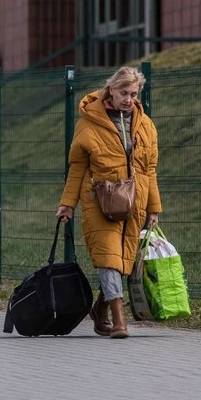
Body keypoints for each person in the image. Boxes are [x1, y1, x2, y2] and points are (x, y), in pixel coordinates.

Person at [56, 66, 161, 340]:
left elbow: (150, 169)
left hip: (135, 201)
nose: (128, 99)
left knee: (123, 260)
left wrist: (153, 208)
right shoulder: (89, 122)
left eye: (134, 94)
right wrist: (68, 203)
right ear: (111, 90)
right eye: (123, 92)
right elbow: (77, 167)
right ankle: (119, 319)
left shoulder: (146, 125)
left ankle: (100, 308)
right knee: (108, 259)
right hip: (99, 200)